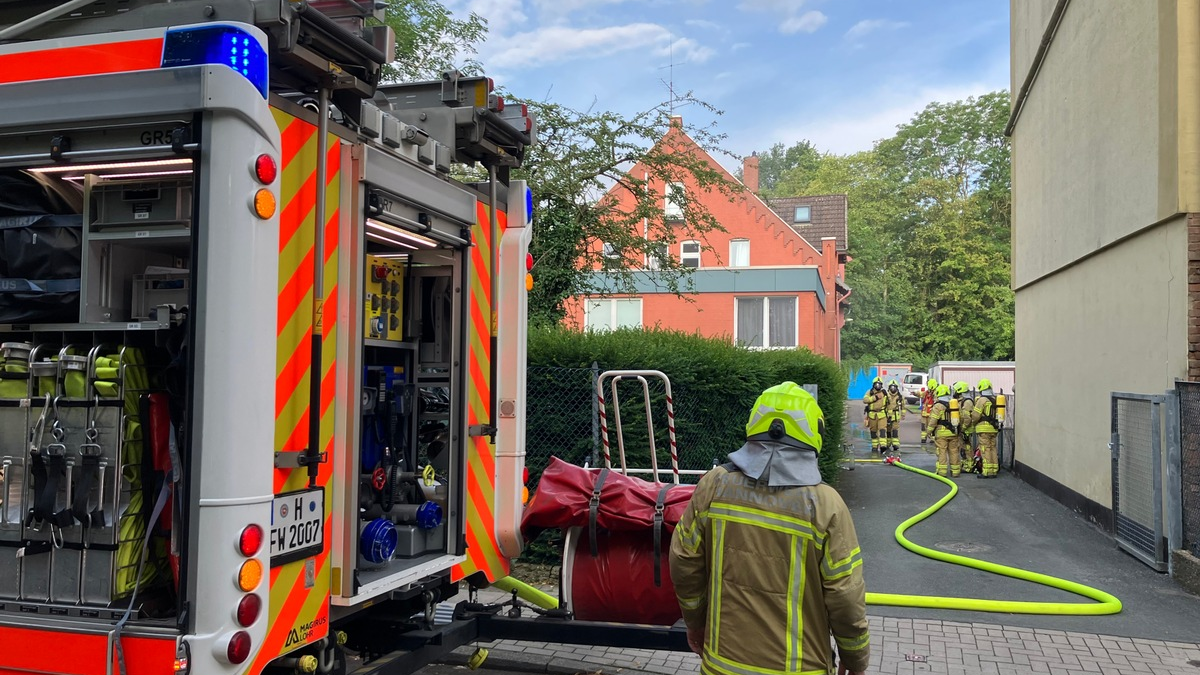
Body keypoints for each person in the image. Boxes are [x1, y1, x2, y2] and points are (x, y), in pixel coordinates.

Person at [670, 382, 870, 675]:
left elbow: (684, 562)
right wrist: (855, 660)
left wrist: (695, 623)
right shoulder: (826, 504)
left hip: (721, 665)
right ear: (814, 432)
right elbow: (845, 596)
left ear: (754, 424)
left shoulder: (714, 485)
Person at [925, 384, 960, 477]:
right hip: (954, 432)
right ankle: (955, 472)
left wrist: (928, 432)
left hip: (942, 433)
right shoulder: (955, 404)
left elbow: (933, 421)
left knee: (942, 451)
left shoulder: (938, 406)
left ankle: (942, 472)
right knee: (954, 451)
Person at [970, 379, 1001, 478]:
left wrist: (972, 422)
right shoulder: (995, 399)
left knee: (985, 449)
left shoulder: (982, 400)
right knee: (993, 448)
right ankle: (994, 470)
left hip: (984, 429)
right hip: (994, 428)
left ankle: (987, 471)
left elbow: (976, 415)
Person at [953, 381, 977, 474]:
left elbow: (967, 418)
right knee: (962, 447)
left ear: (960, 391)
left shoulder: (967, 402)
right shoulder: (961, 401)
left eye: (955, 391)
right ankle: (965, 463)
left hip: (966, 429)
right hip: (962, 428)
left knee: (967, 447)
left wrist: (963, 429)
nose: (954, 393)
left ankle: (969, 465)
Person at [862, 376, 887, 454]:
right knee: (873, 431)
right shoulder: (869, 392)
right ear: (873, 384)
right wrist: (874, 397)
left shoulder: (884, 393)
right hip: (872, 415)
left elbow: (889, 404)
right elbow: (865, 400)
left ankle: (883, 446)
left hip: (882, 414)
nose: (878, 386)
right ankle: (874, 446)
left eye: (879, 384)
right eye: (876, 384)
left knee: (882, 430)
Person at [885, 380, 905, 455]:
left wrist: (903, 414)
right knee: (888, 430)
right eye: (891, 387)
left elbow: (903, 406)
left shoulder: (900, 396)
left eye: (894, 387)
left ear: (897, 388)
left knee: (895, 430)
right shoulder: (886, 396)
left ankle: (895, 444)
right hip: (887, 416)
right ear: (889, 387)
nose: (893, 389)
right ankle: (888, 443)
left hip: (896, 416)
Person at [920, 378, 938, 445]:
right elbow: (921, 394)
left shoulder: (936, 393)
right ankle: (923, 438)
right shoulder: (927, 392)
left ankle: (932, 438)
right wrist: (915, 393)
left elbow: (936, 402)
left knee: (932, 426)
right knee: (923, 426)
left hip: (931, 413)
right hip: (925, 413)